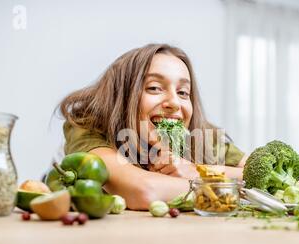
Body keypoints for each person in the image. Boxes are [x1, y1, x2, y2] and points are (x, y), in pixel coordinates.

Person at [58, 43, 247, 210]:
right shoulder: (87, 126)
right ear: (122, 97)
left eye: (183, 92)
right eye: (154, 88)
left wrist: (195, 170)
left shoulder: (201, 134)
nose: (174, 103)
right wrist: (209, 181)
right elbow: (144, 190)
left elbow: (267, 176)